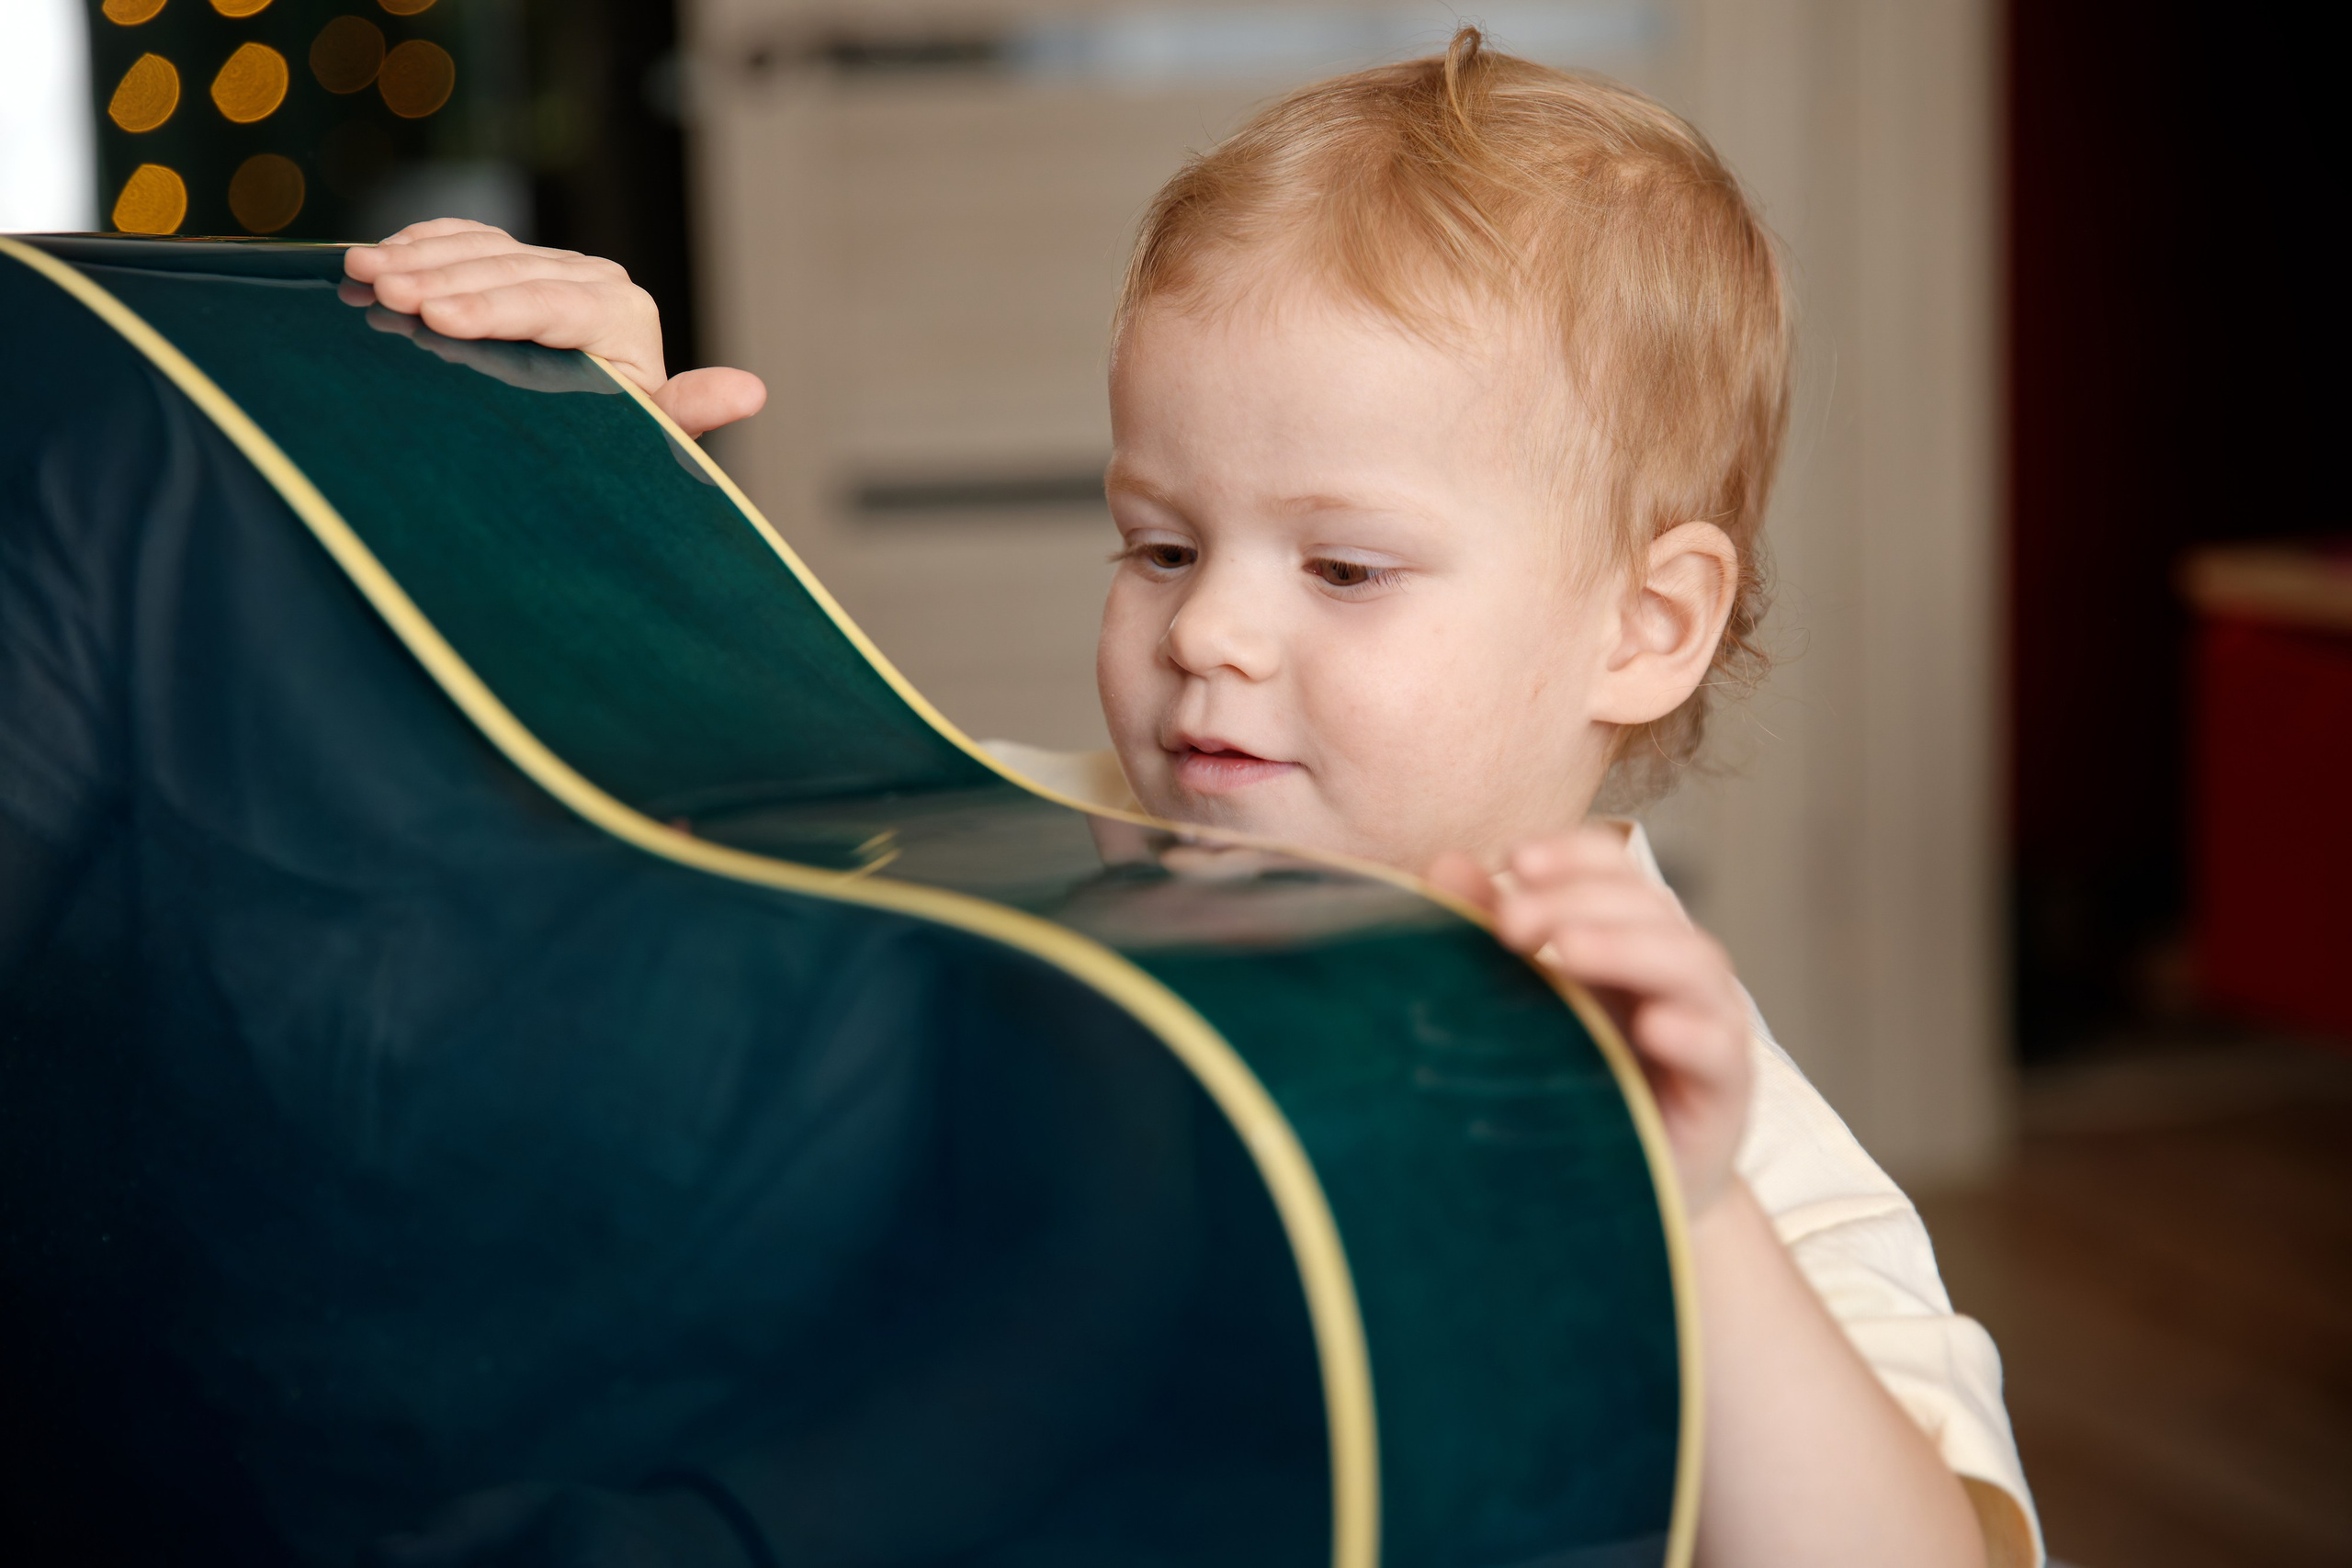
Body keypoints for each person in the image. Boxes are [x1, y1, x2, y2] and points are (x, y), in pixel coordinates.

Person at [342, 27, 2041, 1568]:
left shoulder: (1684, 1102)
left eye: (1348, 568)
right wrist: (597, 493)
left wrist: (1696, 1211)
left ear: (1643, 625)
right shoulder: (1030, 838)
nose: (1207, 630)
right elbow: (677, 813)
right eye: (1160, 544)